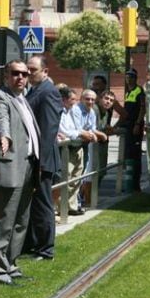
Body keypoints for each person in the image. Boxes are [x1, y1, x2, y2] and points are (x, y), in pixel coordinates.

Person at [0, 60, 39, 285]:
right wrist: (4, 136)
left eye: (24, 74)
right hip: (9, 167)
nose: (20, 78)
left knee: (20, 221)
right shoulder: (0, 96)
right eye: (15, 74)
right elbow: (1, 120)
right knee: (3, 221)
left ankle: (11, 264)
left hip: (28, 166)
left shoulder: (23, 99)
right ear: (6, 76)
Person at [24, 55, 63, 260]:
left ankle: (45, 248)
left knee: (43, 204)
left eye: (33, 70)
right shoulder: (35, 90)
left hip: (43, 159)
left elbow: (48, 131)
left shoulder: (48, 92)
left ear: (45, 71)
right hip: (36, 158)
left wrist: (41, 162)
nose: (29, 74)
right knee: (35, 204)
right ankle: (33, 244)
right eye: (27, 70)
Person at [57, 87, 86, 215]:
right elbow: (64, 131)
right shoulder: (60, 112)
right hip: (66, 148)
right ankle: (61, 208)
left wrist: (80, 133)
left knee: (76, 178)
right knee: (65, 178)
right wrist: (80, 133)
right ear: (64, 100)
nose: (75, 102)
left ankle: (72, 206)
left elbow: (78, 127)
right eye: (72, 99)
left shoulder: (73, 110)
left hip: (77, 146)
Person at [116, 69, 145, 193]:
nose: (129, 79)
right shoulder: (128, 93)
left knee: (135, 154)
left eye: (131, 77)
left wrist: (138, 124)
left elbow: (142, 108)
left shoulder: (139, 91)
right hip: (129, 126)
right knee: (128, 153)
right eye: (127, 77)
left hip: (135, 126)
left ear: (135, 78)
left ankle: (135, 184)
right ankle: (129, 182)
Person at [78, 89, 108, 207]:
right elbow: (77, 128)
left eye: (92, 99)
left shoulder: (91, 112)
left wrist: (97, 134)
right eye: (87, 99)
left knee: (86, 173)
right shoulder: (77, 110)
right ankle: (80, 201)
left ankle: (84, 201)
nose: (90, 101)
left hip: (86, 144)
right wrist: (96, 135)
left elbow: (91, 128)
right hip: (76, 145)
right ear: (81, 99)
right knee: (79, 175)